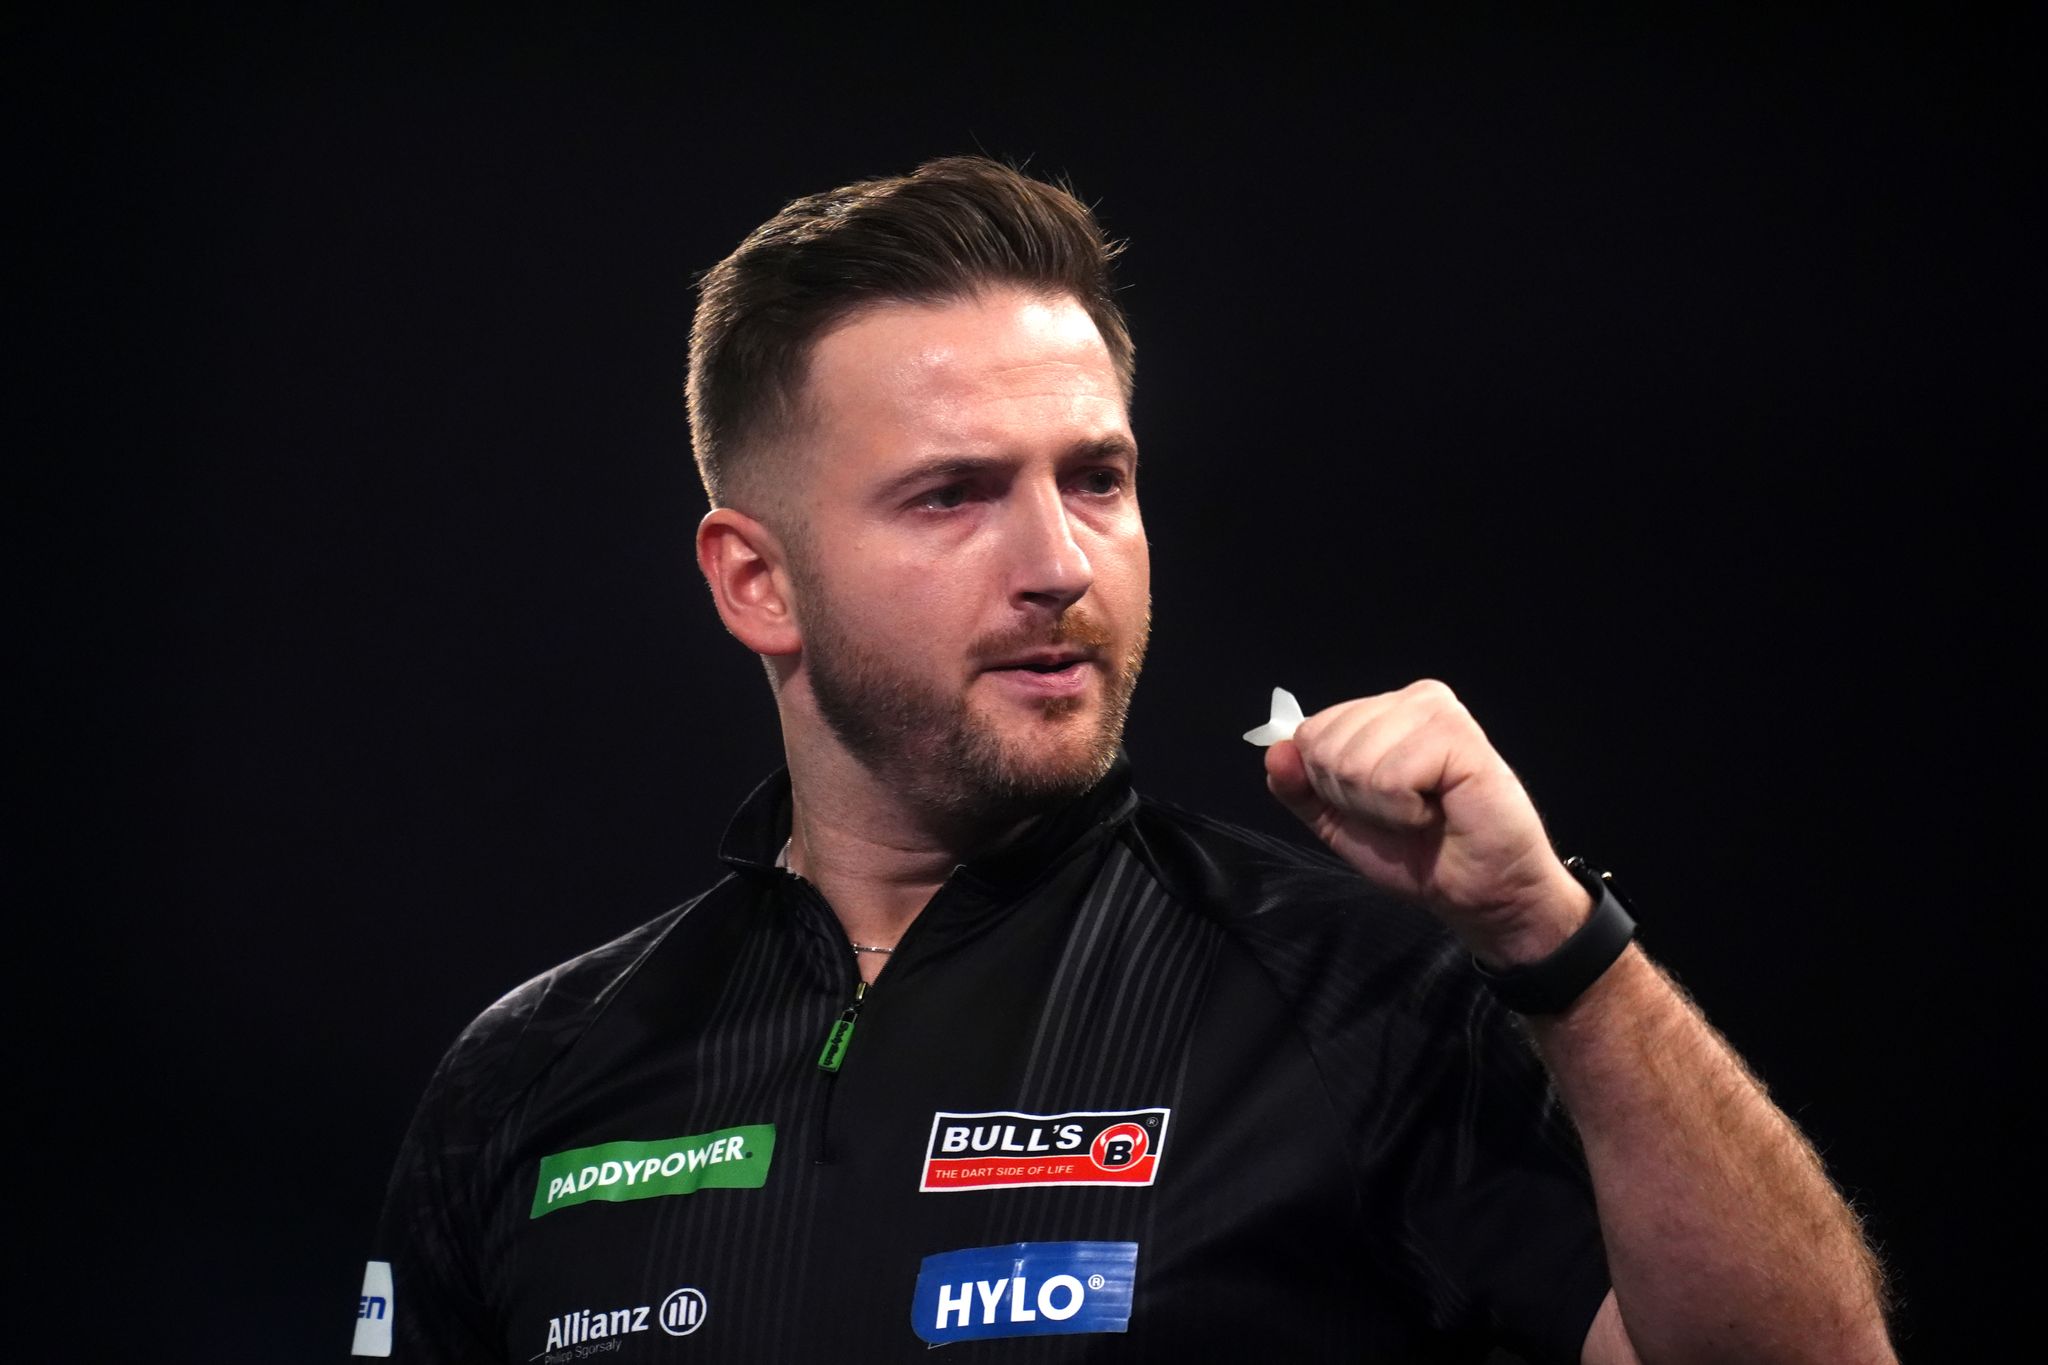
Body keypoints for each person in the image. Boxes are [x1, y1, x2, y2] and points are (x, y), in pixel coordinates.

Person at [352, 156, 1894, 1363]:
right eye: (953, 494)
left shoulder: (1365, 1001)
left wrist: (1558, 943)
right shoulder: (529, 1077)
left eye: (1097, 478)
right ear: (756, 580)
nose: (1059, 564)